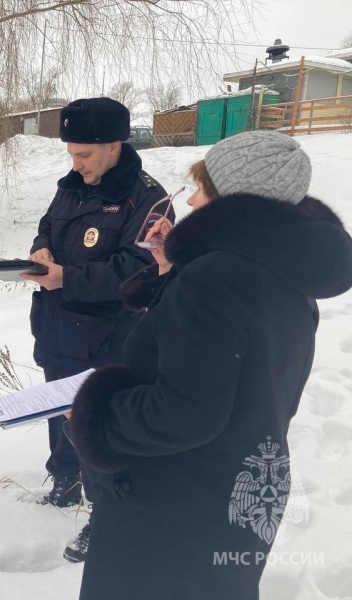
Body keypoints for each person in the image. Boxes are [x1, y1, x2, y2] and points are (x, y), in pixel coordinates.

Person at [70, 130, 352, 599]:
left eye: (205, 187)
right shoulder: (286, 270)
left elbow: (183, 413)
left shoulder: (216, 278)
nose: (194, 200)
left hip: (176, 503)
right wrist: (172, 270)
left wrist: (96, 416)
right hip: (241, 488)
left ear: (234, 200)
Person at [22, 97, 170, 563]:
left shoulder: (148, 198)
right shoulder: (71, 185)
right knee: (58, 407)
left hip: (110, 337)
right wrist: (42, 251)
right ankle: (64, 480)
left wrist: (68, 277)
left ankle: (104, 514)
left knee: (101, 424)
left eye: (83, 154)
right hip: (58, 325)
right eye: (70, 152)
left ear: (113, 146)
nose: (75, 163)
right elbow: (47, 227)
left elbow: (135, 270)